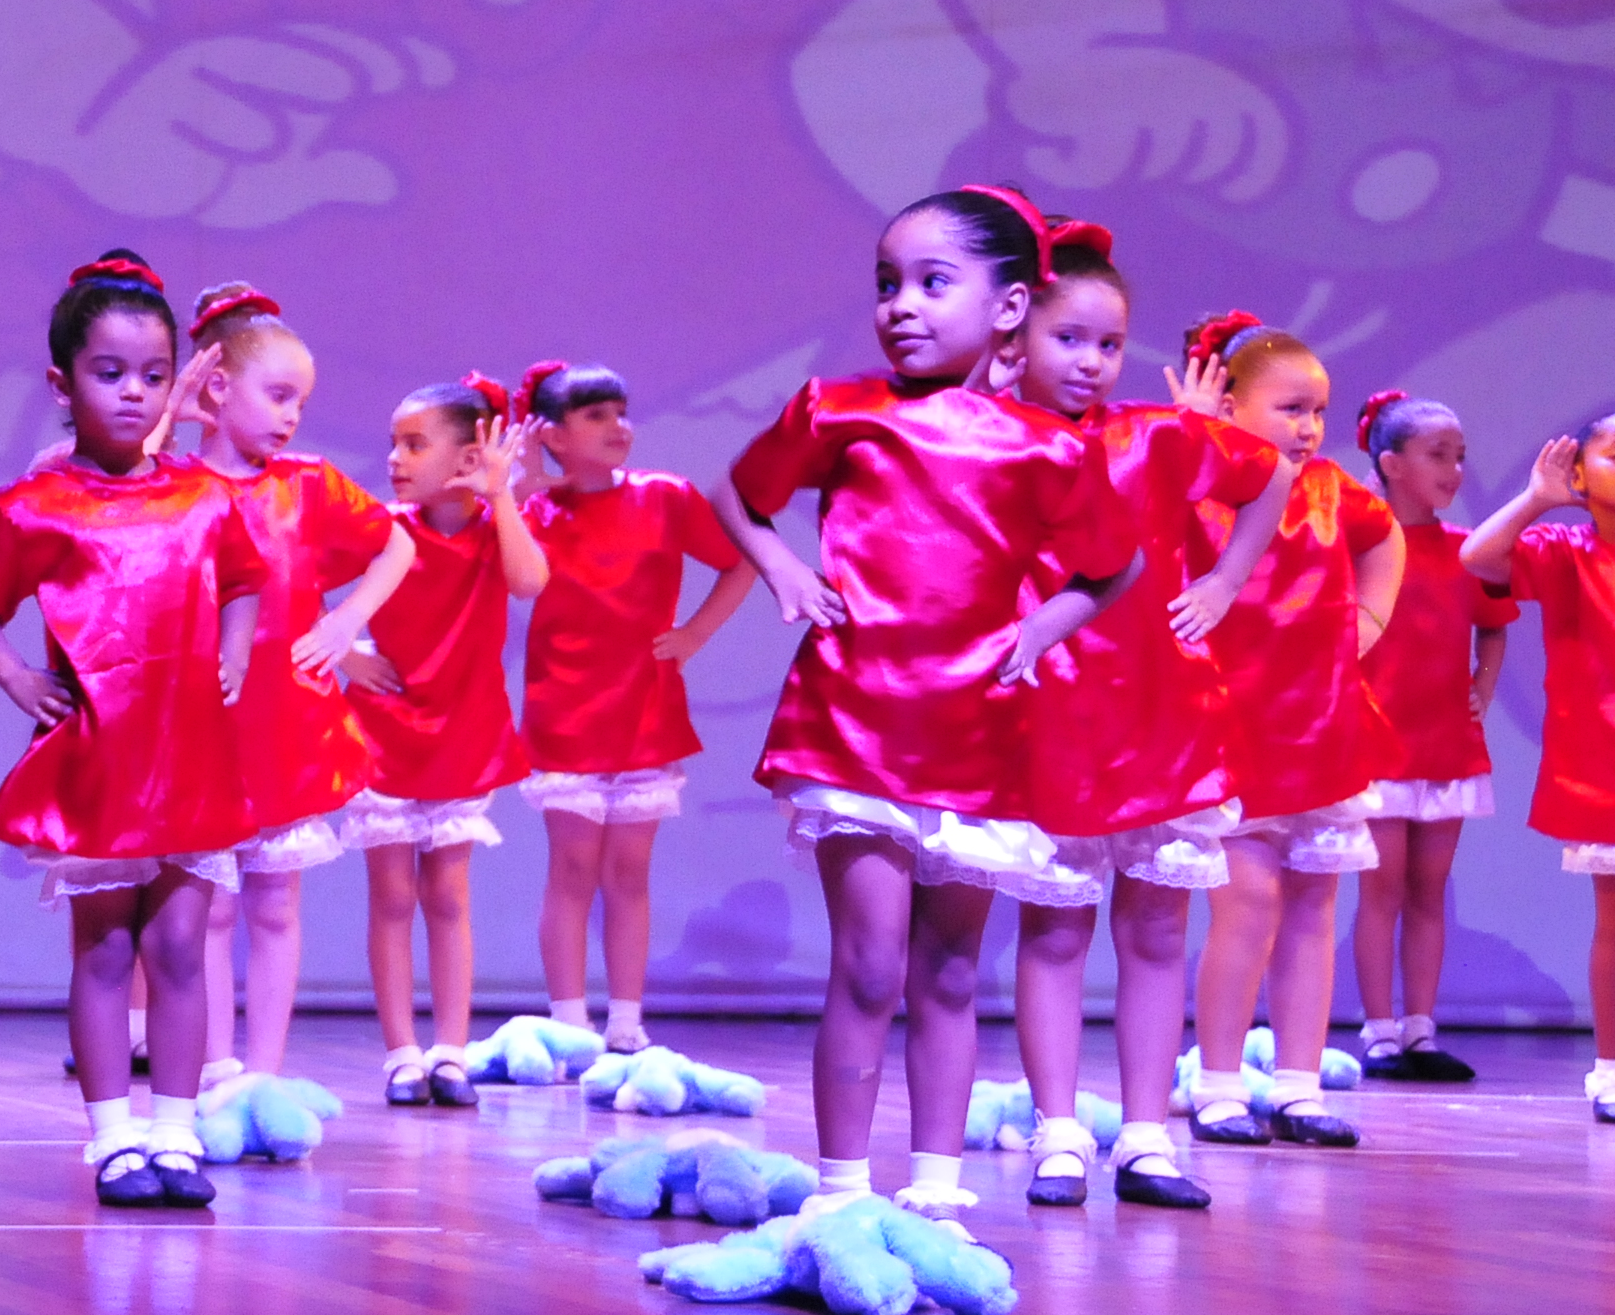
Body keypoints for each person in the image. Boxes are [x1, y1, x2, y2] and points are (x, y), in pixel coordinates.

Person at [711, 186, 1135, 1211]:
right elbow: (740, 492)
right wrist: (783, 569)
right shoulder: (837, 410)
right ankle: (842, 1188)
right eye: (887, 283)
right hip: (854, 722)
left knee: (948, 969)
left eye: (932, 282)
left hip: (977, 730)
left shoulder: (1047, 445)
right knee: (868, 965)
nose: (900, 304)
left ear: (1008, 306)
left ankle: (937, 1189)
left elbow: (1111, 564)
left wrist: (1041, 629)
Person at [0, 253, 263, 1208]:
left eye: (154, 375)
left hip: (188, 753)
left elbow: (245, 578)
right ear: (63, 384)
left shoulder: (204, 495)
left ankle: (177, 1134)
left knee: (183, 946)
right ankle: (114, 1139)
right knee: (105, 951)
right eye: (110, 373)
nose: (133, 393)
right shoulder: (35, 507)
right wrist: (15, 675)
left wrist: (234, 654)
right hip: (100, 757)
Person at [1001, 222, 1289, 1210]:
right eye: (1068, 339)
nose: (1091, 361)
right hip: (1051, 713)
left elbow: (1269, 475)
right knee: (1054, 931)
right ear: (1015, 336)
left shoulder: (1157, 435)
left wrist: (1225, 580)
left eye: (1110, 344)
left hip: (1161, 713)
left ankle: (1146, 1137)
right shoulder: (990, 438)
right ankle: (1058, 1131)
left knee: (1159, 929)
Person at [181, 283, 413, 1087]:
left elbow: (396, 545)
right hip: (204, 718)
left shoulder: (306, 482)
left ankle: (264, 1076)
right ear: (217, 386)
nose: (290, 417)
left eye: (300, 403)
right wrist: (169, 420)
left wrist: (347, 622)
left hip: (285, 720)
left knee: (276, 902)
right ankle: (214, 1071)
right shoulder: (170, 482)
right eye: (277, 395)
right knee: (209, 904)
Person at [1184, 316, 1404, 1151]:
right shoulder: (1198, 485)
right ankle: (1217, 1083)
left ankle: (1299, 1085)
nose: (1309, 428)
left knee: (1313, 907)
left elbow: (1385, 538)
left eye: (1317, 411)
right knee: (1247, 906)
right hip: (1232, 731)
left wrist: (1368, 622)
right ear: (1229, 404)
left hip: (1321, 729)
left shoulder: (1332, 490)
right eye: (1289, 409)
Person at [511, 358, 750, 1054]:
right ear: (552, 434)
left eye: (620, 413)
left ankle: (625, 1020)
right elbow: (512, 580)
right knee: (572, 868)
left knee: (629, 873)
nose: (618, 427)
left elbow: (740, 559)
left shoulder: (665, 496)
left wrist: (696, 633)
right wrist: (521, 483)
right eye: (596, 416)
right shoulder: (534, 513)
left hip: (645, 708)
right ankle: (568, 1022)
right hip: (566, 712)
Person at [342, 376, 547, 1108]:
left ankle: (451, 1050)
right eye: (394, 444)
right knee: (393, 894)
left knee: (449, 894)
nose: (394, 459)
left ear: (467, 458)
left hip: (463, 731)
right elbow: (290, 581)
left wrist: (503, 497)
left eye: (414, 445)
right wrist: (346, 654)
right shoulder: (383, 527)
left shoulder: (495, 530)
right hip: (386, 729)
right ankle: (402, 1053)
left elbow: (529, 581)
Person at [1461, 421, 1615, 1123]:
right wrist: (1536, 498)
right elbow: (1479, 556)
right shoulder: (1566, 550)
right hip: (1606, 765)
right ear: (1580, 476)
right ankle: (1614, 1072)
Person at [1350, 389, 1513, 1084]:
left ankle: (1421, 1028)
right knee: (1381, 891)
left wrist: (1483, 685)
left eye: (1460, 456)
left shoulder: (1468, 551)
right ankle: (1380, 1031)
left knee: (1428, 890)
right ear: (1391, 464)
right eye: (1437, 455)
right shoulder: (1358, 545)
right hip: (1378, 740)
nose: (1454, 470)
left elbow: (1494, 624)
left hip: (1446, 741)